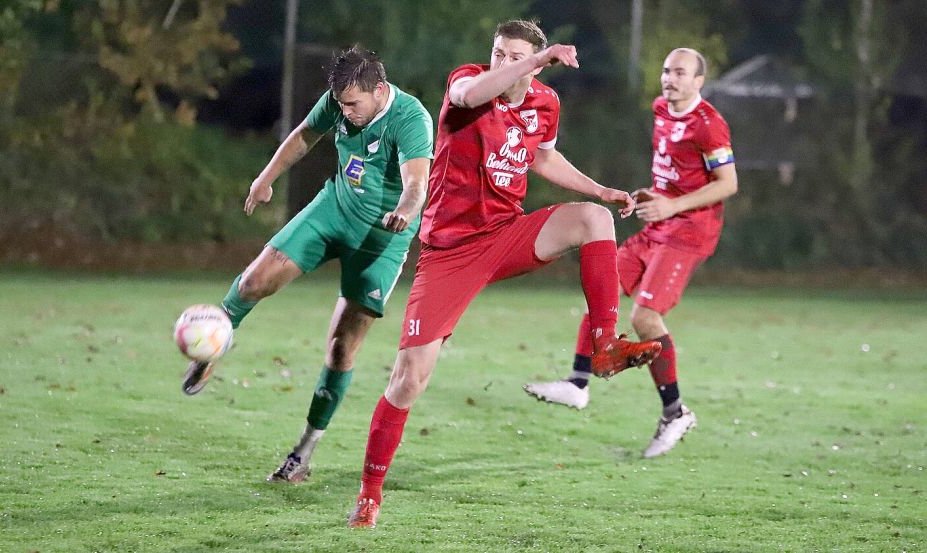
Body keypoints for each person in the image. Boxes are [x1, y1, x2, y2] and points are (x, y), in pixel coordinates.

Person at [346, 20, 663, 529]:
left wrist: (603, 192)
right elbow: (475, 89)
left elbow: (543, 157)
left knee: (594, 219)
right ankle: (369, 494)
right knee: (409, 379)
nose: (504, 62)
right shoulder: (467, 85)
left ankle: (603, 346)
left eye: (516, 54)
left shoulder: (545, 104)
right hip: (449, 253)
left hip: (506, 234)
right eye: (499, 53)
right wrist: (534, 60)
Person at [181, 46, 434, 483]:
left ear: (379, 90)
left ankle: (303, 451)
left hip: (382, 241)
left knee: (341, 350)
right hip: (332, 210)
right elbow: (303, 135)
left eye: (353, 104)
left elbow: (416, 182)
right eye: (340, 103)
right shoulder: (340, 101)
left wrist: (406, 212)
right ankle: (215, 344)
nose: (345, 111)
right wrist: (264, 179)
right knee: (255, 281)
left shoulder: (411, 118)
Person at [524, 47, 738, 459]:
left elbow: (727, 183)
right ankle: (578, 383)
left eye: (680, 72)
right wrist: (655, 196)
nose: (670, 78)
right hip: (659, 223)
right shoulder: (661, 108)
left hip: (689, 232)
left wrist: (673, 205)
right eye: (666, 69)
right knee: (601, 284)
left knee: (644, 316)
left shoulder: (709, 125)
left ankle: (675, 413)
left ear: (698, 82)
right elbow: (676, 171)